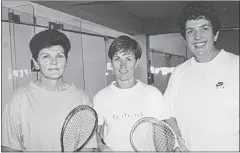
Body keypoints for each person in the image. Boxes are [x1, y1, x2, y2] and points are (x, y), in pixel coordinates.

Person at [1, 29, 97, 151]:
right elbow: (9, 149)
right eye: (46, 56)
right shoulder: (19, 99)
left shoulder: (82, 99)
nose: (54, 62)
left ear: (66, 61)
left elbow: (87, 149)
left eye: (60, 56)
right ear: (36, 63)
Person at [164, 2, 239, 151]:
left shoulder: (236, 66)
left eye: (204, 28)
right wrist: (177, 141)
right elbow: (168, 114)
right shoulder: (179, 73)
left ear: (215, 34)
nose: (198, 36)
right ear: (185, 40)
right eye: (191, 31)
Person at [93, 35, 172, 151]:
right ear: (111, 63)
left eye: (128, 59)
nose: (122, 66)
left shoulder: (153, 94)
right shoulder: (100, 97)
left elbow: (161, 137)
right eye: (117, 59)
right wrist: (100, 146)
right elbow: (95, 134)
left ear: (136, 62)